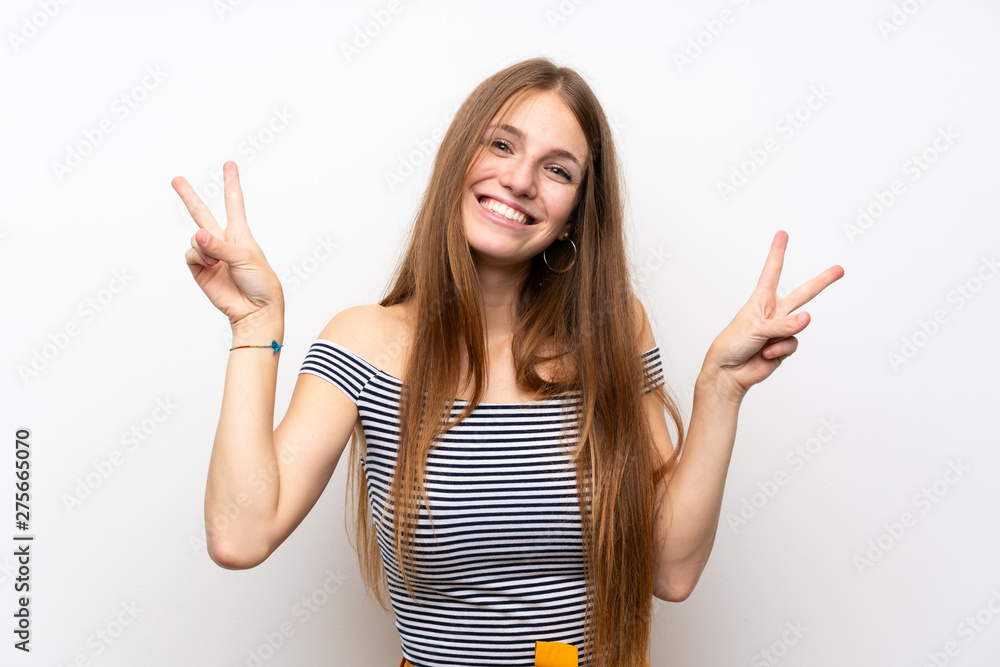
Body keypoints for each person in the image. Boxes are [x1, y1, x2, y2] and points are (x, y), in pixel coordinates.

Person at [172, 57, 843, 667]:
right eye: (501, 144)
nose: (520, 180)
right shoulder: (365, 343)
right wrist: (254, 326)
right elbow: (239, 534)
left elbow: (672, 570)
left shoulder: (612, 331)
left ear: (575, 211)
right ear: (458, 159)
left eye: (558, 170)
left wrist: (721, 389)